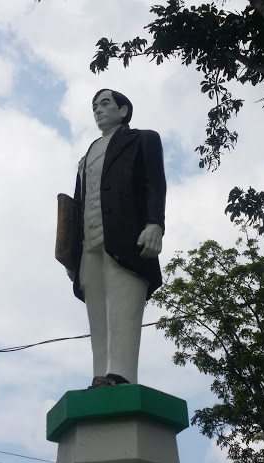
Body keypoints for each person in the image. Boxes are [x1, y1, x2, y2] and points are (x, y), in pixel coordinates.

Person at [69, 89, 166, 387]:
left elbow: (154, 183)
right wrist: (72, 254)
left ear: (123, 111)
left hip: (127, 239)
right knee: (97, 317)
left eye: (106, 103)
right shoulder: (86, 157)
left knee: (123, 309)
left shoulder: (143, 139)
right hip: (90, 246)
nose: (98, 110)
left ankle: (121, 374)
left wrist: (155, 224)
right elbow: (78, 203)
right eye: (95, 106)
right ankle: (101, 374)